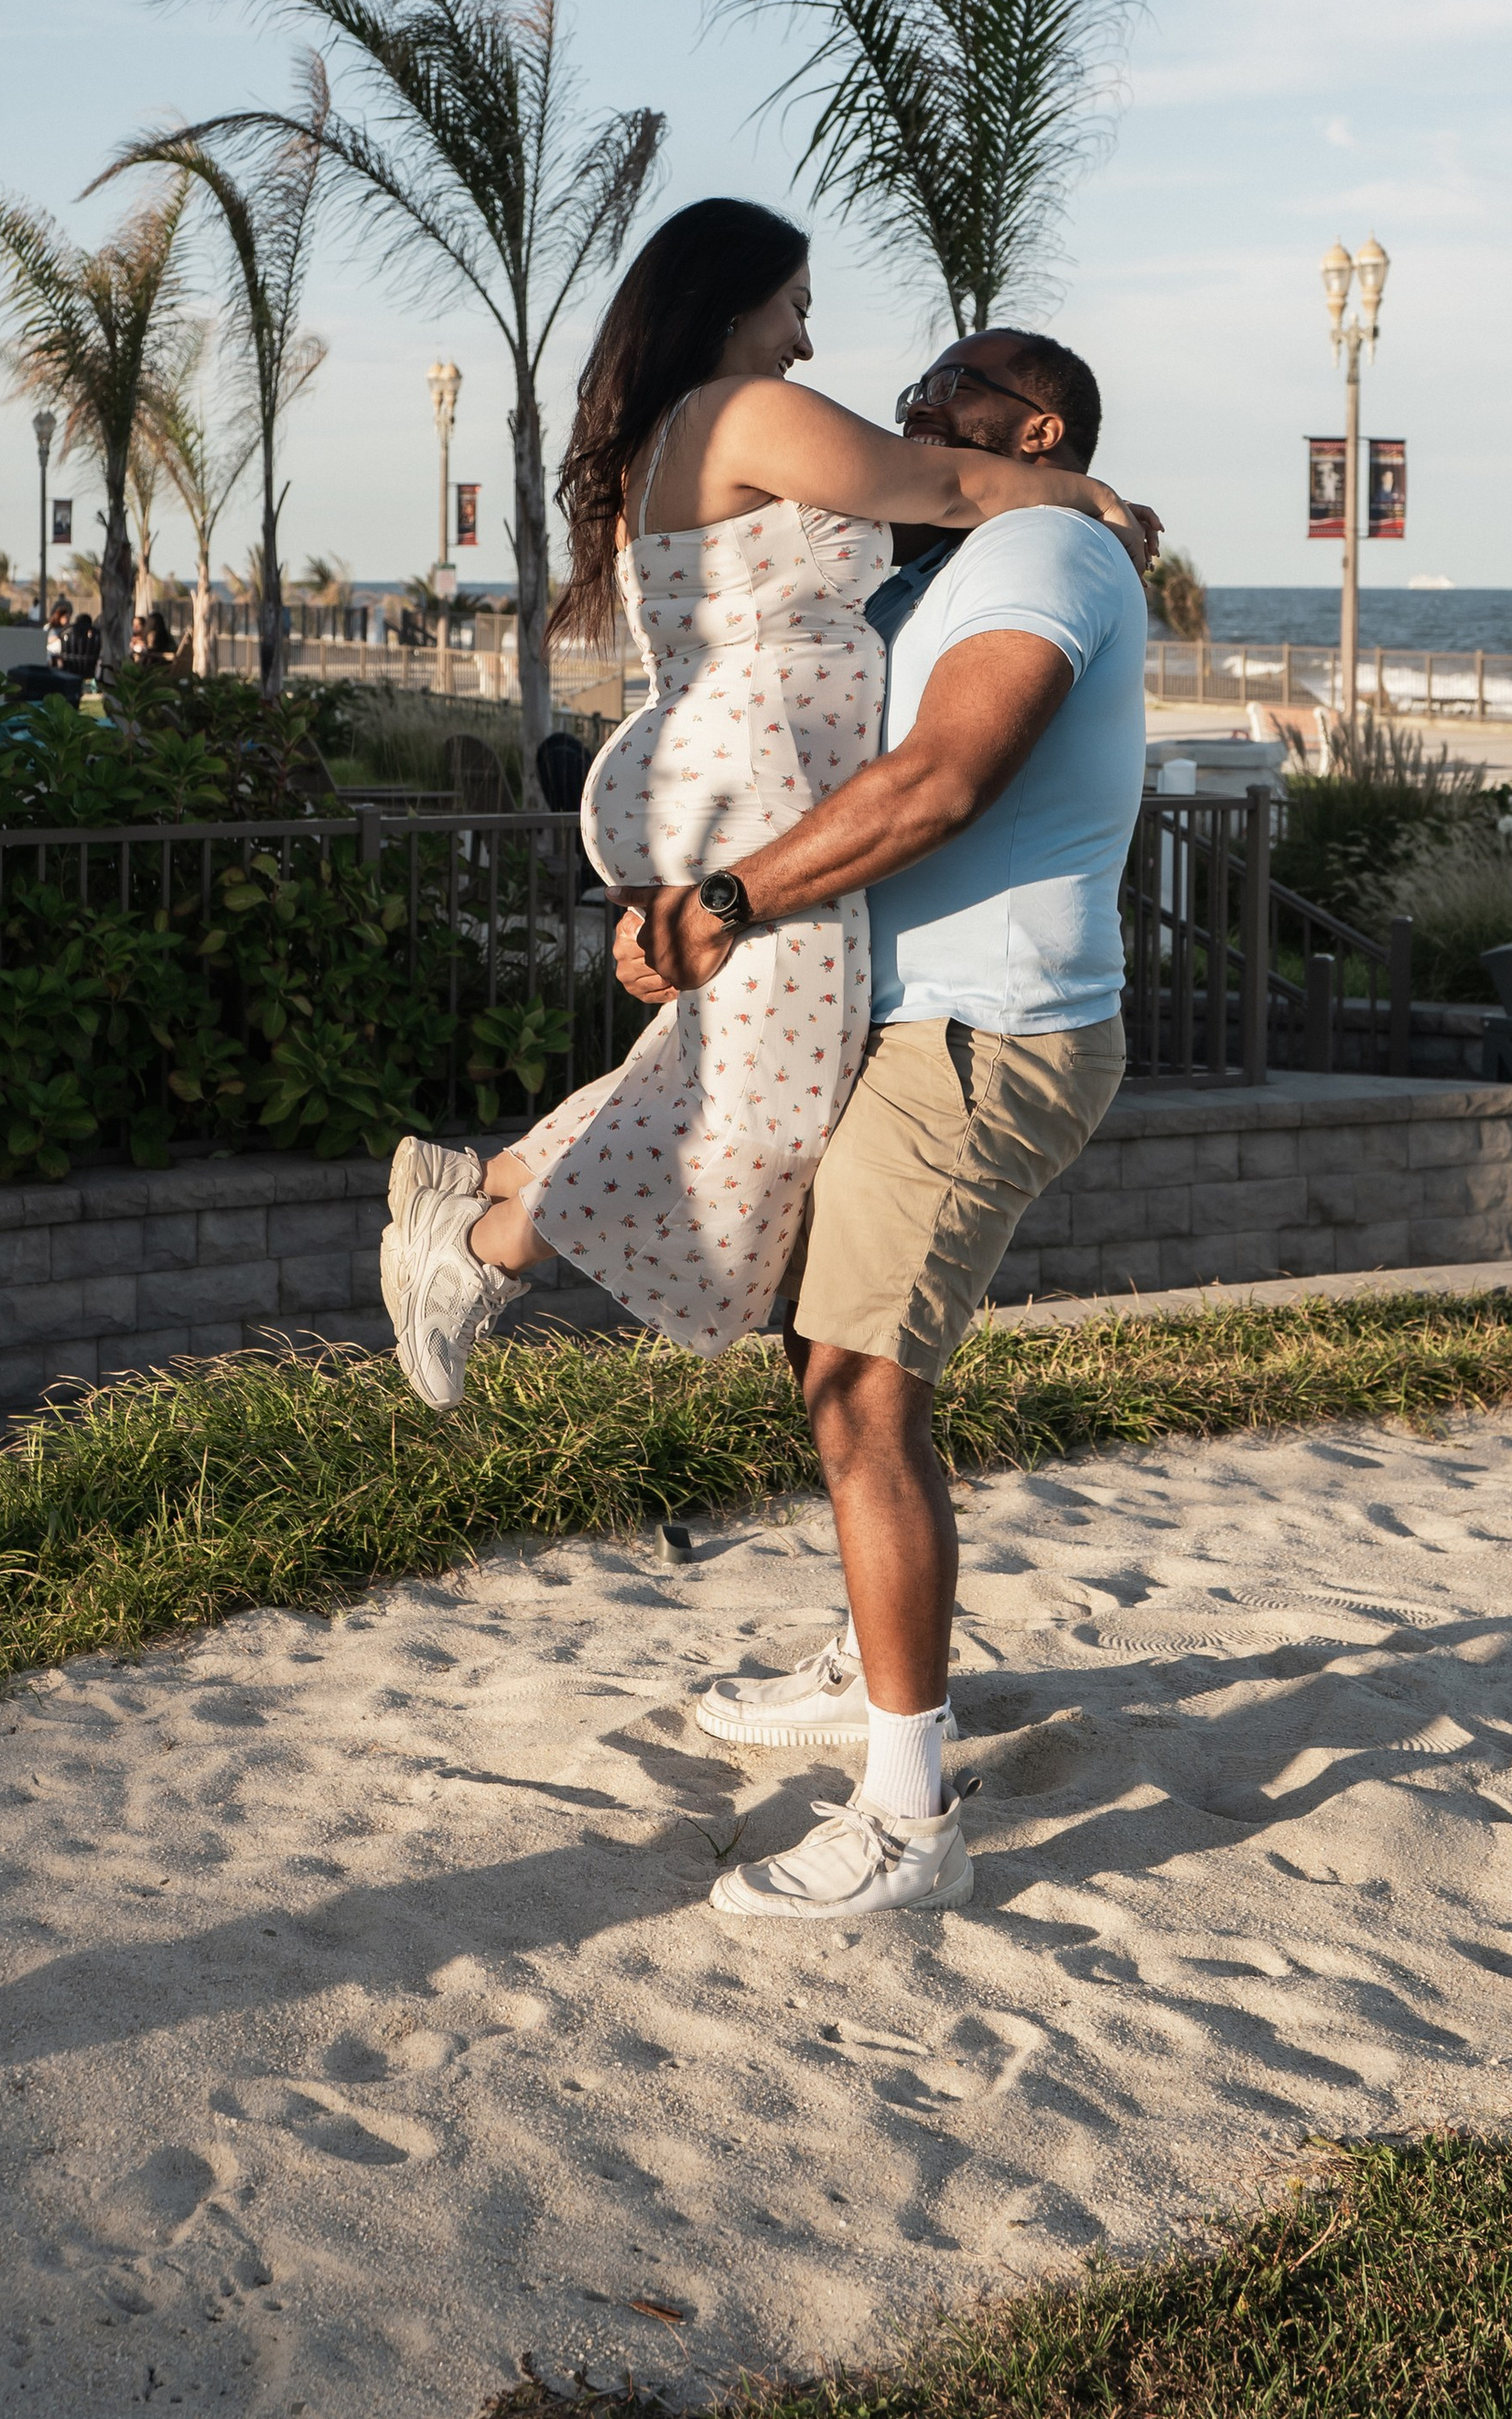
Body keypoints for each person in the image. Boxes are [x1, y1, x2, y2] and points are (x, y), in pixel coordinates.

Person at [376, 191, 1151, 1430]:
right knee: (761, 1104)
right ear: (732, 300)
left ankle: (478, 1191)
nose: (802, 340)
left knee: (715, 1062)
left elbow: (908, 524)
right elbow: (944, 482)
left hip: (728, 768)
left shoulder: (687, 431)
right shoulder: (742, 411)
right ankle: (482, 1255)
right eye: (795, 305)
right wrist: (1086, 493)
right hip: (751, 773)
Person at [623, 316, 1150, 1924]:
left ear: (1041, 432)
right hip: (911, 1025)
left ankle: (910, 1816)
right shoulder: (947, 564)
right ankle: (873, 1661)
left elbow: (939, 785)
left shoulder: (1042, 557)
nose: (916, 411)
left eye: (960, 394)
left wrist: (728, 897)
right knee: (831, 1363)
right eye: (918, 389)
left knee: (862, 1393)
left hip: (985, 1035)